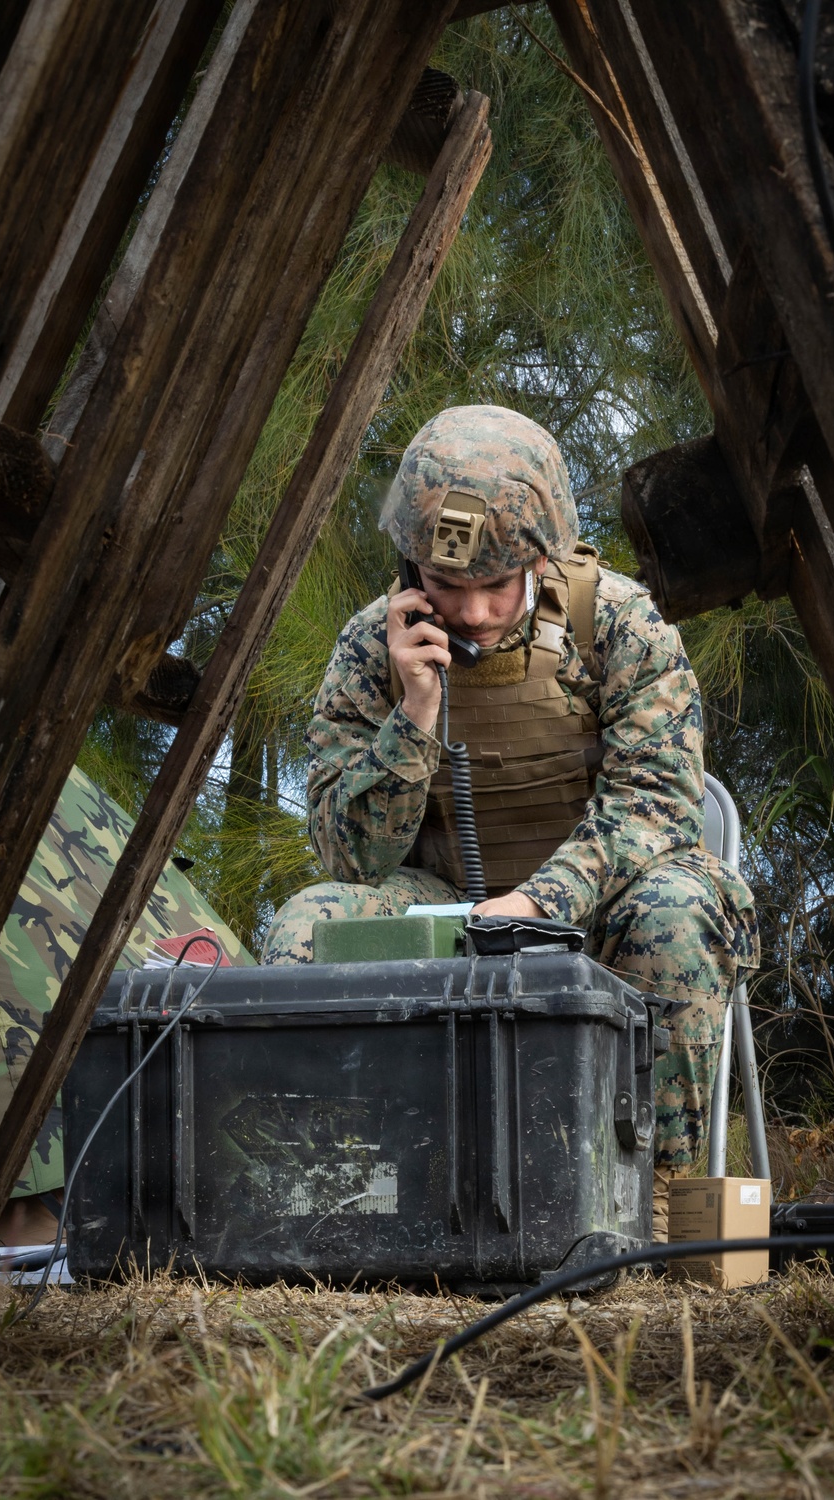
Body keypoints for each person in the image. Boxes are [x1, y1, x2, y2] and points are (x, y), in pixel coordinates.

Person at [264, 405, 758, 1234]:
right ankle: (356, 1199)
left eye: (497, 585)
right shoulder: (369, 653)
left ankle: (656, 1198)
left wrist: (539, 906)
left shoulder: (619, 626)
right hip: (447, 910)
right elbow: (349, 857)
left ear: (541, 558)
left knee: (679, 908)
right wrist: (414, 716)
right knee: (309, 926)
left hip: (600, 914)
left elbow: (655, 805)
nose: (477, 614)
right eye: (450, 587)